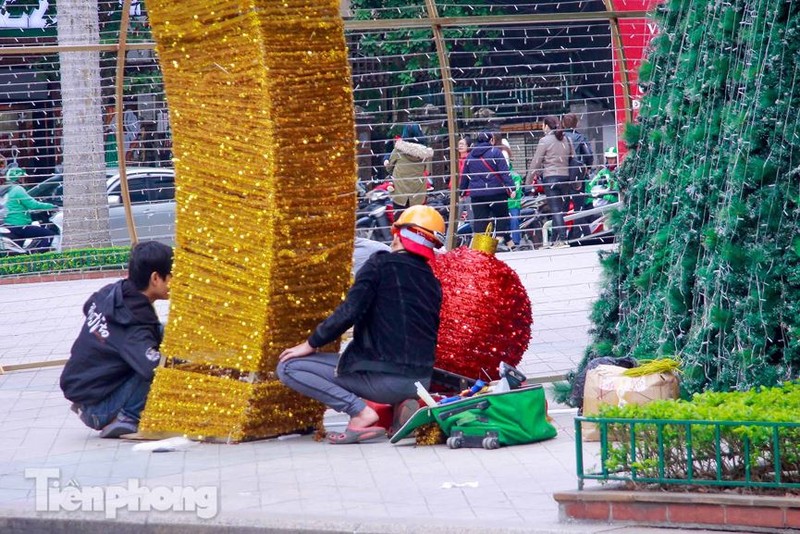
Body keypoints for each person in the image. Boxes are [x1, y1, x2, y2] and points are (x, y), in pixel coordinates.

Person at [277, 205, 445, 444]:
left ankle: (361, 413)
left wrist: (311, 342)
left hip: (382, 380)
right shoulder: (432, 282)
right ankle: (401, 404)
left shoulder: (380, 265)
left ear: (397, 235)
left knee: (289, 367)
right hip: (419, 381)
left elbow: (350, 311)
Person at [60, 241, 173, 438]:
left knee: (162, 333)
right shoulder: (133, 323)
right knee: (158, 365)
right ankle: (127, 417)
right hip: (98, 408)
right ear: (156, 278)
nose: (178, 283)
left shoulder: (113, 291)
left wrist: (105, 333)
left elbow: (88, 306)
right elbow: (152, 367)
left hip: (85, 394)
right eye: (173, 276)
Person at [460, 131, 515, 249]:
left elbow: (465, 176)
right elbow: (504, 173)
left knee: (480, 220)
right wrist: (511, 188)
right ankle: (499, 239)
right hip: (497, 193)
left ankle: (481, 249)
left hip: (477, 195)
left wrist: (462, 191)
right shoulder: (496, 152)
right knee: (502, 216)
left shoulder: (470, 156)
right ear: (491, 140)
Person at [527, 116, 572, 247]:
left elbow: (536, 162)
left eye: (542, 125)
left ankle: (563, 239)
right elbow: (572, 157)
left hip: (551, 178)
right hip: (566, 178)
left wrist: (528, 182)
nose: (542, 127)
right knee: (561, 211)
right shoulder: (567, 139)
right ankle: (555, 240)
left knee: (555, 210)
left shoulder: (544, 141)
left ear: (547, 126)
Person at [384, 124, 434, 222]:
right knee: (415, 221)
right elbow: (427, 170)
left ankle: (400, 236)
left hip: (400, 192)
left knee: (400, 221)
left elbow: (389, 168)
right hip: (417, 192)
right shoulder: (425, 153)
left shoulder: (398, 150)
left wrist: (386, 160)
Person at [2, 167, 57, 252]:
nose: (24, 180)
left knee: (18, 251)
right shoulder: (17, 189)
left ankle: (27, 255)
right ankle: (38, 257)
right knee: (48, 234)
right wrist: (51, 206)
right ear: (19, 178)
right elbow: (33, 205)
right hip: (20, 225)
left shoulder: (5, 189)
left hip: (8, 224)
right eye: (23, 178)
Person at [561, 113, 594, 213]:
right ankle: (578, 227)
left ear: (563, 123)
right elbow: (588, 155)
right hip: (577, 175)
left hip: (561, 175)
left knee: (562, 209)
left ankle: (562, 228)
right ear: (577, 124)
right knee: (579, 207)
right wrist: (587, 168)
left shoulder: (559, 138)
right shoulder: (580, 138)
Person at [499, 139, 525, 249]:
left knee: (513, 219)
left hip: (512, 206)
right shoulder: (496, 175)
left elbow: (515, 192)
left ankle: (516, 242)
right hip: (501, 205)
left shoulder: (514, 176)